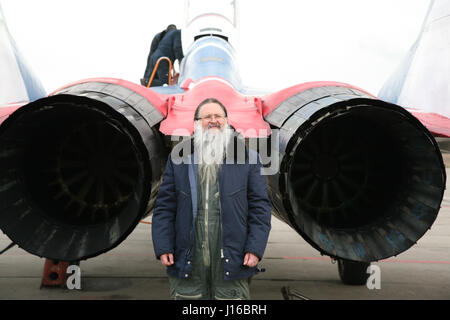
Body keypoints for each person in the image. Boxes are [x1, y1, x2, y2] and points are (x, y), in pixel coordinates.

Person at [152, 98, 272, 300]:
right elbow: (164, 206)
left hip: (233, 259)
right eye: (207, 117)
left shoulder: (249, 158)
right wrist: (163, 245)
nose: (213, 120)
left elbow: (260, 208)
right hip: (187, 259)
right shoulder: (178, 158)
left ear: (227, 121)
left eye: (218, 116)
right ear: (197, 123)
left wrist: (255, 248)